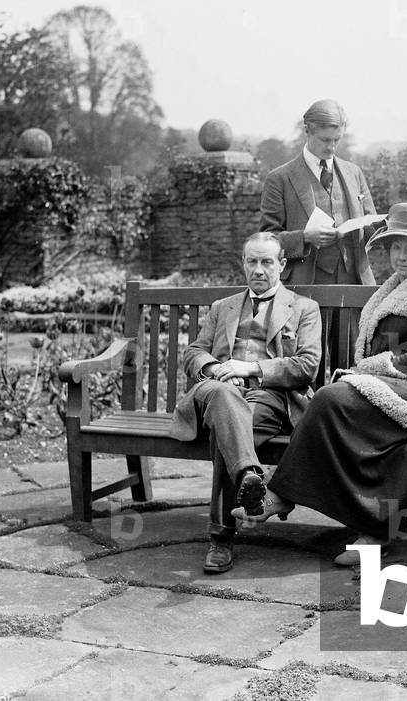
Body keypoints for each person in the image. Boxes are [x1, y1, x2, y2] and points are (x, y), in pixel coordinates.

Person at [234, 202, 407, 566]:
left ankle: (286, 497)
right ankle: (352, 521)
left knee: (329, 398)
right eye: (395, 248)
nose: (401, 256)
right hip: (393, 390)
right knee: (331, 402)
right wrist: (369, 377)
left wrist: (368, 371)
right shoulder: (390, 291)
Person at [170, 232, 321, 574]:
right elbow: (194, 352)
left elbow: (307, 366)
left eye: (267, 261)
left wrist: (251, 368)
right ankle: (252, 478)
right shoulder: (222, 308)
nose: (258, 269)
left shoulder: (304, 309)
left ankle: (221, 537)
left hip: (267, 399)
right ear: (243, 263)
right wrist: (217, 369)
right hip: (215, 391)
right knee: (224, 399)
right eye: (251, 261)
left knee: (231, 430)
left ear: (282, 265)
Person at [260, 99, 379, 286]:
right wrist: (305, 237)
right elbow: (267, 241)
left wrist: (390, 225)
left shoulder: (354, 173)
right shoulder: (279, 179)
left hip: (355, 282)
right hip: (304, 286)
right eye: (325, 140)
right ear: (307, 131)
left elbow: (371, 224)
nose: (331, 147)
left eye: (337, 140)